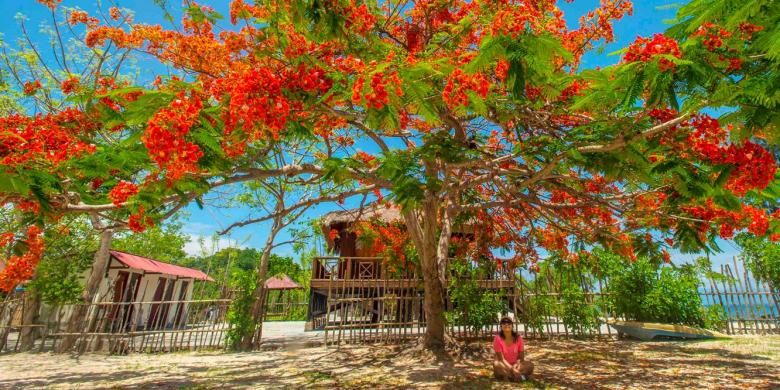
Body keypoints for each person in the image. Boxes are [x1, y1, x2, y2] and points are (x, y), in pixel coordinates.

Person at [493, 316, 534, 381]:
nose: (506, 324)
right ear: (501, 326)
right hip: (503, 365)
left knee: (530, 365)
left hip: (516, 365)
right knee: (496, 364)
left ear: (512, 325)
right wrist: (512, 369)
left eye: (509, 322)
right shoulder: (497, 338)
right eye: (504, 323)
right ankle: (522, 377)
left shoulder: (518, 338)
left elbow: (521, 358)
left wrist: (515, 366)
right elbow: (501, 359)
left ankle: (510, 377)